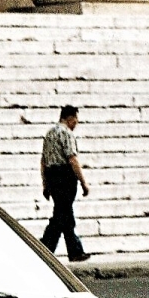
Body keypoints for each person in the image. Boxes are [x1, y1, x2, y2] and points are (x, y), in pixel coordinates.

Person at [38, 104, 89, 263]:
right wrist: (83, 182)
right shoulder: (66, 134)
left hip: (52, 176)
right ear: (70, 118)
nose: (76, 124)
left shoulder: (50, 134)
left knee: (64, 213)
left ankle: (73, 251)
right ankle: (45, 247)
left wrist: (45, 184)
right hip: (65, 177)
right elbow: (72, 159)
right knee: (62, 215)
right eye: (76, 120)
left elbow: (43, 162)